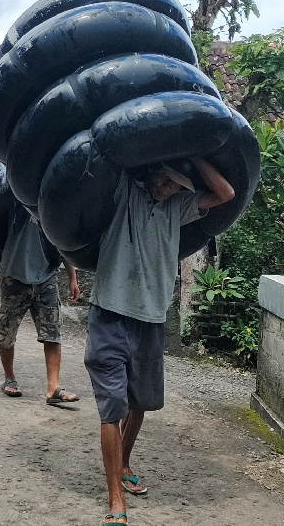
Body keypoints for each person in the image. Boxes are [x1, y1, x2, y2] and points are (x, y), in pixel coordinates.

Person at [84, 156, 234, 526]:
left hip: (151, 319)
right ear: (153, 171)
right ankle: (115, 499)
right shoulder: (125, 193)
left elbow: (225, 193)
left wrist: (197, 157)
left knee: (141, 402)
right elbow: (105, 157)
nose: (167, 189)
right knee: (112, 406)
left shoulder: (179, 207)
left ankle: (124, 463)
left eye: (175, 185)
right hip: (110, 313)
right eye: (165, 180)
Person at [0, 199, 81, 406]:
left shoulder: (54, 207)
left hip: (46, 277)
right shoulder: (16, 200)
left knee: (52, 332)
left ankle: (53, 388)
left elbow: (62, 243)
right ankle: (9, 378)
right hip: (14, 276)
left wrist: (72, 278)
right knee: (6, 332)